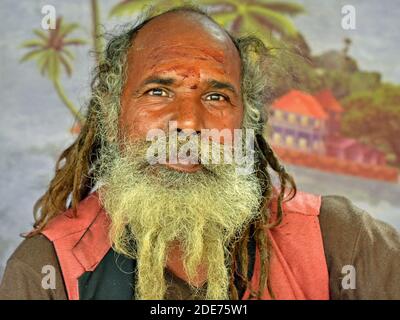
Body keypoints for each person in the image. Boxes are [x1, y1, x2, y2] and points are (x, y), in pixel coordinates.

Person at [1, 6, 399, 300]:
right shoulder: (50, 270)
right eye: (158, 92)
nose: (188, 123)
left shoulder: (340, 242)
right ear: (112, 113)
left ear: (247, 121)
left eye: (216, 96)